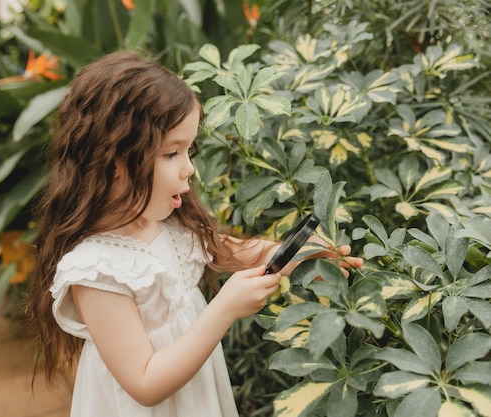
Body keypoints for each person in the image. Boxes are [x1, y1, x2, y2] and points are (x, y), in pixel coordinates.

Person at [26, 51, 363, 417]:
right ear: (117, 161)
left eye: (190, 150)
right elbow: (144, 383)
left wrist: (292, 254)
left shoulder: (166, 221)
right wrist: (224, 309)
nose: (189, 168)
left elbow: (227, 249)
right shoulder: (96, 270)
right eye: (172, 153)